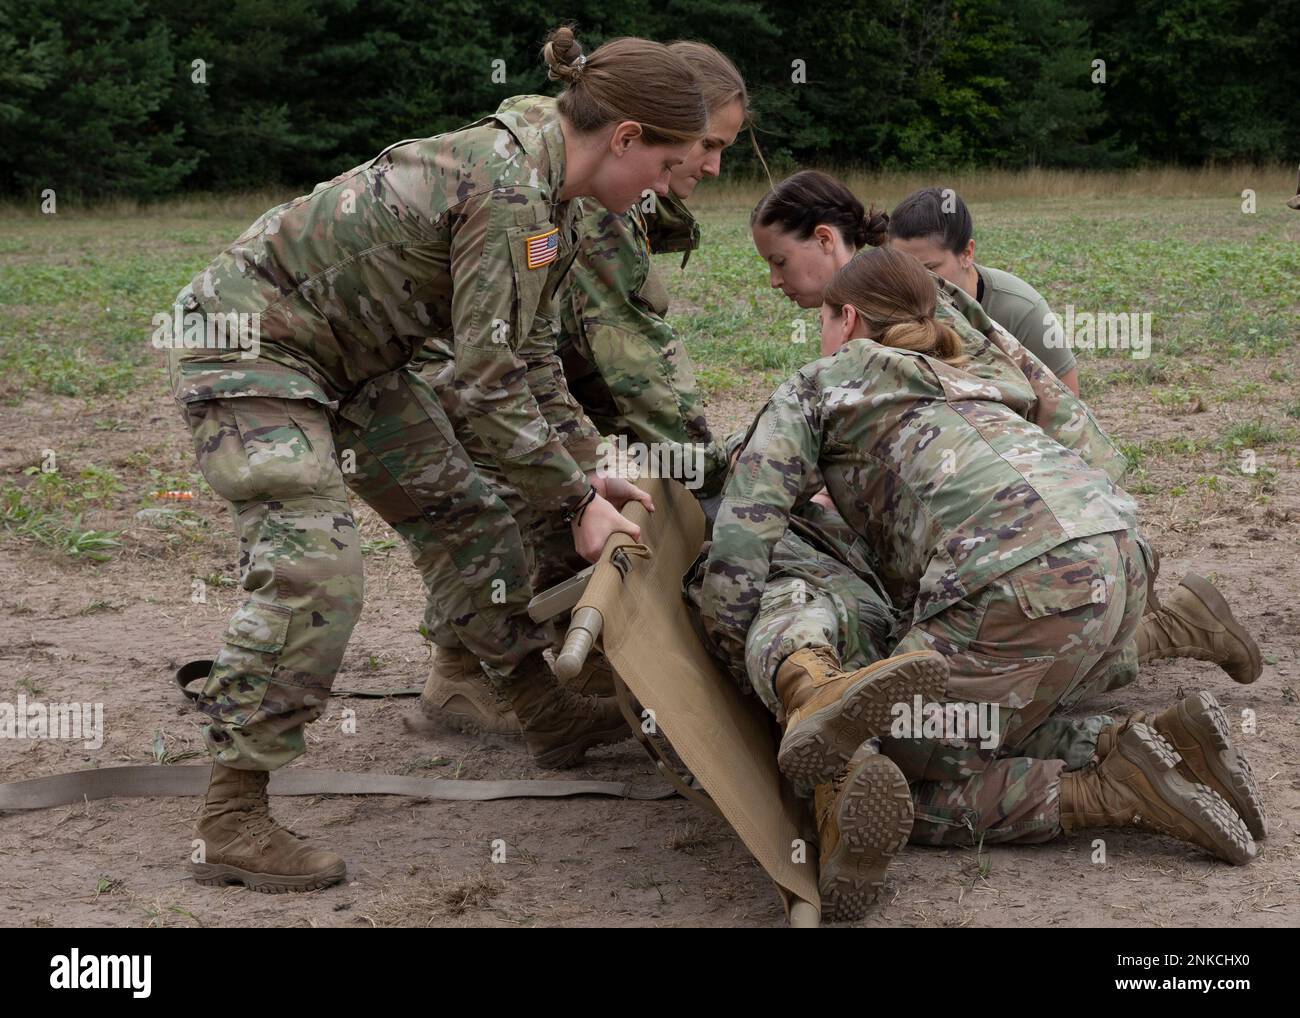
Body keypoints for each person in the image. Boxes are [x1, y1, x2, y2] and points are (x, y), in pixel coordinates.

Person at [167, 26, 708, 893]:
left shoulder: (556, 196)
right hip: (253, 349)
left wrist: (582, 471)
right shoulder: (508, 195)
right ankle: (232, 818)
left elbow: (524, 357)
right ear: (626, 138)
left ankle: (543, 714)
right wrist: (577, 503)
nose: (671, 187)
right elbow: (485, 387)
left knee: (471, 520)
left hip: (353, 363)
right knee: (316, 568)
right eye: (670, 167)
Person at [697, 247, 1263, 920]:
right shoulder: (983, 373)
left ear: (845, 319)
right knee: (983, 724)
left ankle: (1115, 790)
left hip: (1018, 581)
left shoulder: (824, 381)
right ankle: (1159, 740)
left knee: (893, 763)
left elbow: (743, 530)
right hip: (1121, 557)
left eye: (823, 319)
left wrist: (731, 658)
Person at [749, 169, 1261, 692]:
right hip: (1073, 513)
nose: (774, 280)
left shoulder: (897, 297)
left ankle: (1167, 631)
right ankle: (1174, 625)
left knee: (983, 666)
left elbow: (1017, 408)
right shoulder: (888, 289)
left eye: (779, 260)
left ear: (825, 240)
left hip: (1041, 509)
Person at [418, 41, 752, 734]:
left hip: (500, 376)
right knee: (529, 512)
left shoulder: (591, 169)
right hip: (460, 382)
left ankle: (502, 666)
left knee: (581, 487)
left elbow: (558, 345)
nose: (714, 166)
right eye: (707, 145)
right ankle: (485, 679)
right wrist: (713, 486)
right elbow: (632, 361)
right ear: (653, 126)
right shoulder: (591, 189)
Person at [887, 185, 1080, 395]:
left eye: (930, 269)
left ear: (967, 253)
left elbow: (1068, 402)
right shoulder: (889, 302)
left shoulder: (1021, 310)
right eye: (903, 268)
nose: (915, 281)